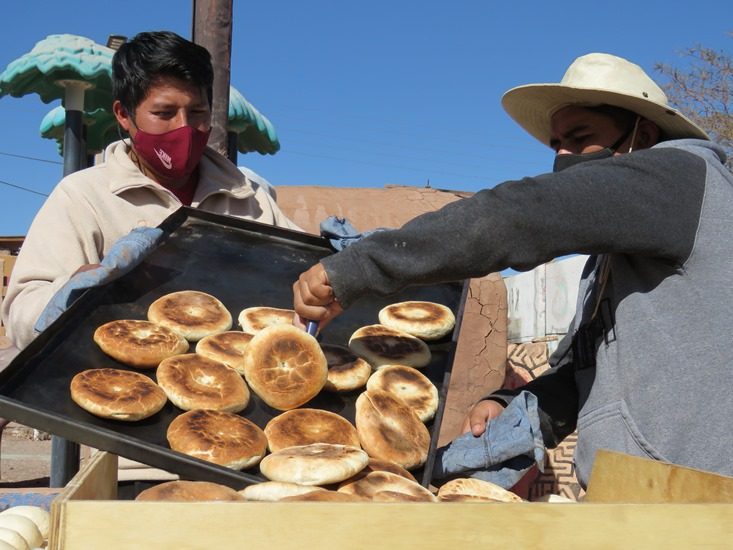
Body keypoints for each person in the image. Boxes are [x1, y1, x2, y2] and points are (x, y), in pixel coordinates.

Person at [293, 52, 733, 488]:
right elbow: (585, 373)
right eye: (556, 144)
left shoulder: (682, 176)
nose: (563, 156)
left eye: (581, 138)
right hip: (634, 495)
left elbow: (516, 216)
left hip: (706, 493)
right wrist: (516, 404)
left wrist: (360, 266)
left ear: (643, 133)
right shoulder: (610, 265)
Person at [2, 30, 300, 350]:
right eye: (164, 113)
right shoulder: (83, 197)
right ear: (124, 115)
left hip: (234, 378)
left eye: (197, 113)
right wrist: (74, 293)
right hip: (120, 383)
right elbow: (21, 314)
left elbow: (303, 282)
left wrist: (336, 269)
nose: (183, 129)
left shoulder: (249, 197)